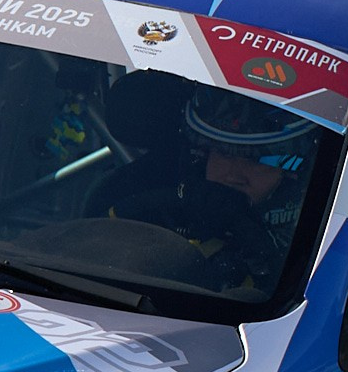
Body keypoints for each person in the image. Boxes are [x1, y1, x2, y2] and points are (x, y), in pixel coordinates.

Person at [104, 84, 321, 290]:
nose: (234, 175)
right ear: (202, 156)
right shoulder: (146, 210)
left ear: (292, 172)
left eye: (260, 161)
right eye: (224, 154)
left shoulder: (318, 243)